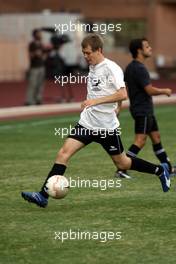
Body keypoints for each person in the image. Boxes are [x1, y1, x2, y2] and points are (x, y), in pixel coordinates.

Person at [21, 34, 170, 208]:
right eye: (83, 53)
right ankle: (43, 196)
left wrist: (96, 102)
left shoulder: (111, 68)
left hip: (106, 128)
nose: (85, 56)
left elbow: (122, 93)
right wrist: (117, 107)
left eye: (88, 53)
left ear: (99, 50)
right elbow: (112, 91)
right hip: (87, 123)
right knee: (63, 154)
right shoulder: (92, 66)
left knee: (122, 163)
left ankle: (159, 170)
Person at [115, 38, 175, 179]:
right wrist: (164, 90)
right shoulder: (139, 68)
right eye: (147, 46)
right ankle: (121, 168)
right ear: (139, 50)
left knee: (156, 138)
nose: (150, 48)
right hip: (142, 110)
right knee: (140, 140)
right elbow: (149, 90)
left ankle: (169, 167)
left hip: (144, 109)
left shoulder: (130, 67)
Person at [25, 29, 45, 105]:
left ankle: (38, 99)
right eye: (39, 34)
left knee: (40, 84)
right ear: (35, 35)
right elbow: (30, 55)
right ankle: (29, 100)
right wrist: (35, 54)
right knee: (32, 84)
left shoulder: (41, 44)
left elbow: (43, 54)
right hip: (34, 67)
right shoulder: (32, 44)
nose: (40, 35)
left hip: (41, 66)